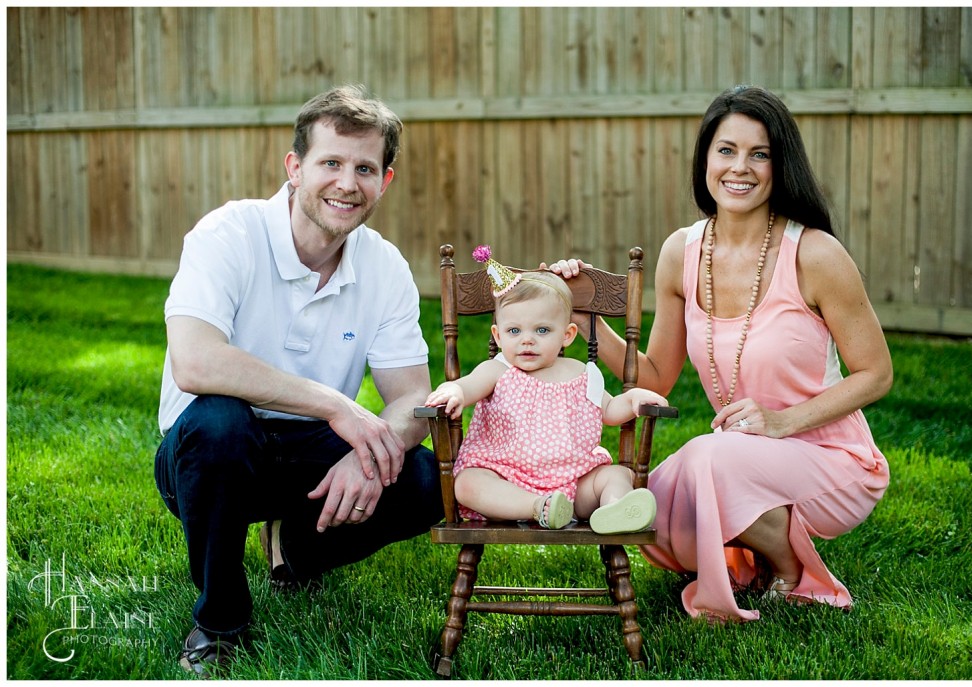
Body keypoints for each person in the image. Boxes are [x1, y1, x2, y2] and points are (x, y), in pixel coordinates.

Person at [547, 85, 892, 622]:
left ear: (782, 166)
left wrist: (780, 422)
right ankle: (745, 543)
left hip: (832, 461)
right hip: (738, 455)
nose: (741, 168)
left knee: (708, 456)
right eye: (726, 150)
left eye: (760, 154)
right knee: (650, 510)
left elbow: (876, 373)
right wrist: (586, 318)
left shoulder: (816, 254)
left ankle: (792, 570)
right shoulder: (681, 252)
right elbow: (654, 378)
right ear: (705, 158)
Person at [154, 84, 443, 676]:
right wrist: (336, 406)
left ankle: (297, 554)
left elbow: (413, 397)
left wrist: (367, 457)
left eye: (365, 168)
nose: (346, 182)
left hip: (308, 458)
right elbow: (196, 361)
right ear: (294, 168)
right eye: (330, 163)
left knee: (422, 479)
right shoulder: (227, 234)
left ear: (384, 182)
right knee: (219, 423)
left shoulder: (385, 267)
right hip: (210, 456)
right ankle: (220, 621)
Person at [424, 246, 667, 534]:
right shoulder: (498, 370)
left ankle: (615, 509)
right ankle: (540, 507)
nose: (527, 340)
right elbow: (468, 386)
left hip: (574, 483)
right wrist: (454, 391)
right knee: (466, 483)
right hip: (506, 480)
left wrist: (633, 398)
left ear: (567, 335)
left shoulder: (582, 373)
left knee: (616, 474)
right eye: (515, 331)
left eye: (542, 331)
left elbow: (611, 411)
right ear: (497, 336)